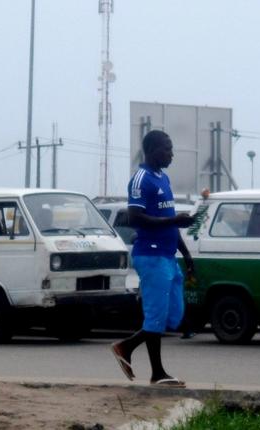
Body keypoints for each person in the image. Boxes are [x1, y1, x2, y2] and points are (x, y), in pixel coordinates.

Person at [111, 130, 195, 388]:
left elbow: (170, 223)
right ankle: (157, 373)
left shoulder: (164, 178)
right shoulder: (141, 179)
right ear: (152, 150)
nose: (171, 154)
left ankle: (126, 346)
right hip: (151, 255)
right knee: (156, 316)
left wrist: (188, 256)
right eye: (167, 149)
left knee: (174, 315)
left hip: (168, 256)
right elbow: (134, 217)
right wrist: (174, 220)